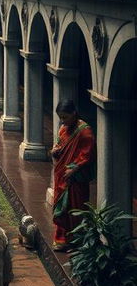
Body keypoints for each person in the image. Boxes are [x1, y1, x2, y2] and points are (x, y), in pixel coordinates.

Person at [50, 100, 96, 252]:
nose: (63, 121)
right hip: (62, 175)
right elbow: (60, 146)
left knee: (75, 207)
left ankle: (76, 241)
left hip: (76, 179)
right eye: (61, 118)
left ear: (74, 114)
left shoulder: (85, 131)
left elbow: (86, 156)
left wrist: (73, 169)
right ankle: (61, 238)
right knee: (61, 208)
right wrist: (55, 150)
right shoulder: (63, 129)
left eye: (65, 117)